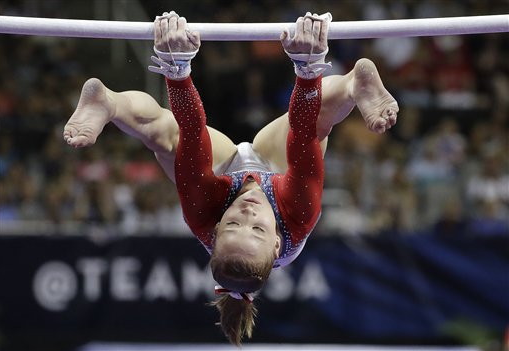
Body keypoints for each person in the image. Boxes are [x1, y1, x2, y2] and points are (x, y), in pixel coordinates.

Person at [63, 11, 398, 346]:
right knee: (319, 118)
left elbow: (192, 133)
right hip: (278, 170)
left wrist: (177, 66)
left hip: (224, 174)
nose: (247, 214)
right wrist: (307, 66)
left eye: (234, 225)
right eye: (257, 229)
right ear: (277, 242)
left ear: (216, 230)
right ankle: (356, 83)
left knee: (166, 135)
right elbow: (303, 134)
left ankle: (108, 102)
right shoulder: (298, 216)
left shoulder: (203, 214)